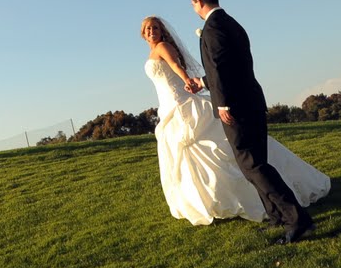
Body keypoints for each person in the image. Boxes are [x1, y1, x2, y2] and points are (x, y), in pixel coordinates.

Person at [141, 15, 329, 232]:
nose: (151, 31)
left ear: (162, 30)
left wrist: (187, 82)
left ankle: (266, 198)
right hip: (168, 105)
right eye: (147, 28)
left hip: (181, 103)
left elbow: (174, 65)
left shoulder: (163, 46)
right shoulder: (152, 51)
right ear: (143, 33)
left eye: (155, 27)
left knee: (230, 148)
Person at [190, 0, 322, 242]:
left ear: (198, 2)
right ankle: (275, 216)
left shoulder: (212, 28)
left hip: (236, 107)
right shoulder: (231, 23)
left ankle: (297, 219)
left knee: (253, 166)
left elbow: (219, 67)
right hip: (252, 101)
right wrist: (203, 83)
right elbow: (231, 66)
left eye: (192, 3)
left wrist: (223, 104)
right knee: (258, 162)